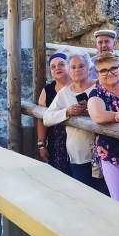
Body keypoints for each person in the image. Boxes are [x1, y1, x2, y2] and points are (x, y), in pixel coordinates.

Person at [87, 51, 119, 207]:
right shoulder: (96, 92)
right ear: (97, 74)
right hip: (114, 157)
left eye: (113, 68)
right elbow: (98, 116)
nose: (109, 73)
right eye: (103, 70)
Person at [43, 52, 97, 186]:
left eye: (81, 66)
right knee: (84, 193)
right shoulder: (64, 93)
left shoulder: (99, 86)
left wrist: (91, 110)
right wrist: (67, 111)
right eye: (73, 67)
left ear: (89, 68)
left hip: (103, 153)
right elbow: (47, 118)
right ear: (69, 70)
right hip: (79, 154)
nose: (77, 70)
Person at [36, 52, 72, 175]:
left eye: (61, 64)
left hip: (78, 143)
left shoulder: (78, 86)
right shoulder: (47, 90)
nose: (57, 68)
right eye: (53, 66)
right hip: (55, 142)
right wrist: (41, 144)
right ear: (51, 72)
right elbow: (41, 118)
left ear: (69, 66)